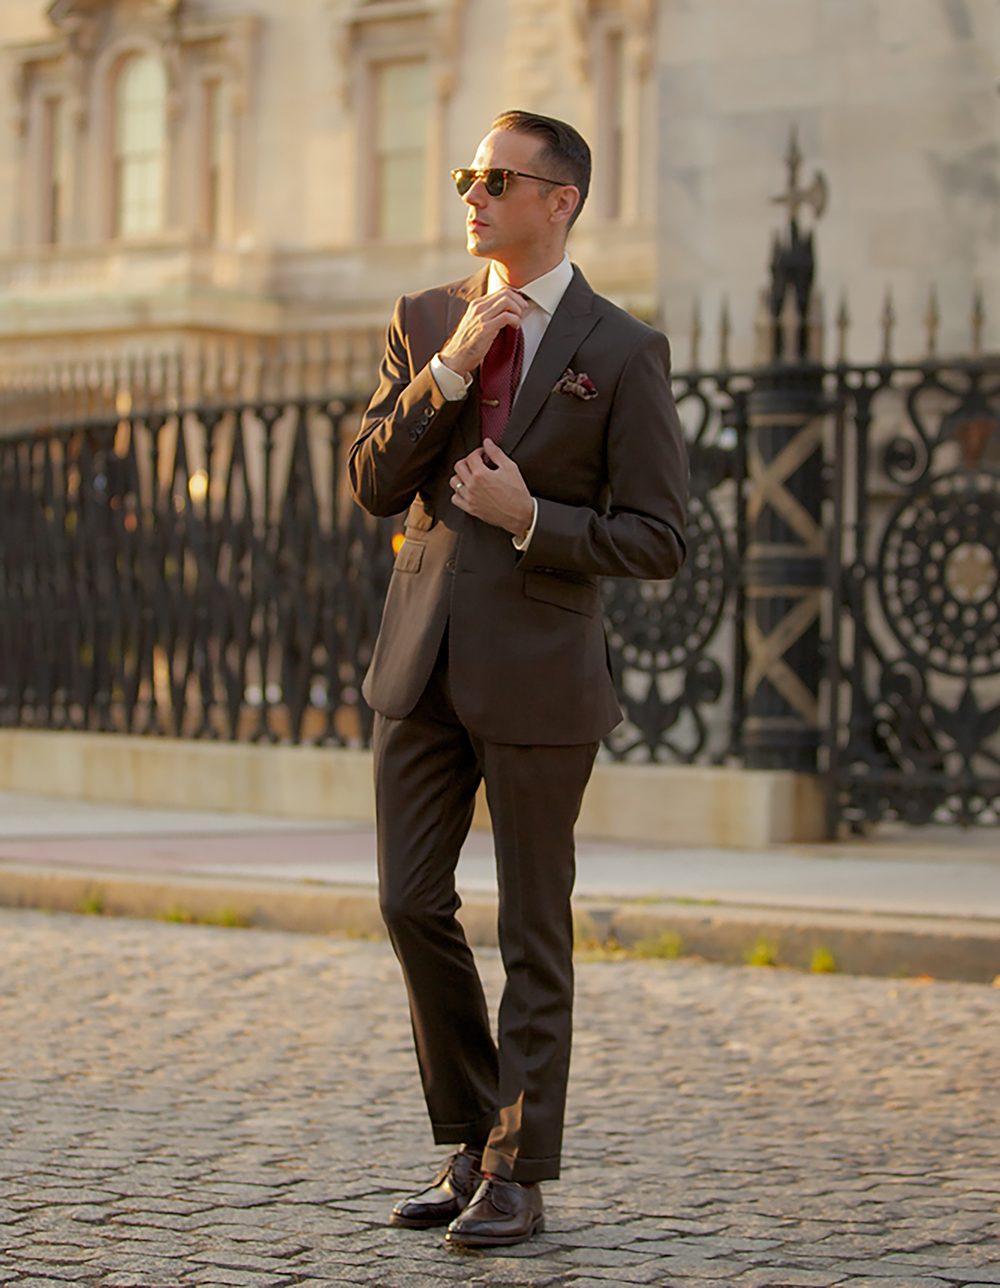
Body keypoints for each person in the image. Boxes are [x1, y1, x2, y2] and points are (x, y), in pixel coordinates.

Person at [349, 110, 687, 1248]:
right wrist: (445, 374)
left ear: (562, 201)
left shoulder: (623, 348)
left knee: (533, 928)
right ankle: (468, 1137)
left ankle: (518, 1172)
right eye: (467, 175)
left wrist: (534, 517)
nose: (474, 195)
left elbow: (656, 537)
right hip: (422, 662)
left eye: (499, 178)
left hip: (542, 675)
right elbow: (371, 479)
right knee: (408, 901)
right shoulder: (424, 320)